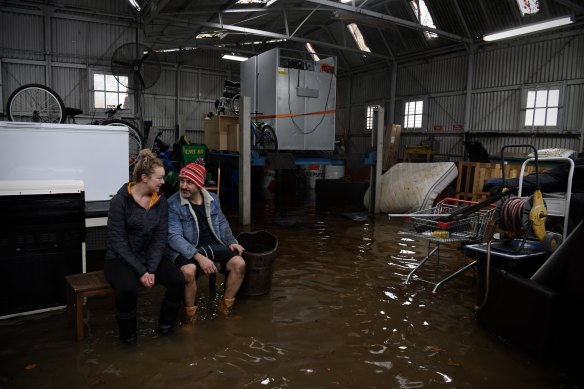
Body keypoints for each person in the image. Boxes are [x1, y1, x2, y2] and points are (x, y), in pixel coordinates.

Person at [104, 149, 184, 343]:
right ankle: (128, 338)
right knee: (128, 290)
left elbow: (159, 237)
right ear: (144, 177)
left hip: (148, 257)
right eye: (160, 178)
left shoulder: (160, 202)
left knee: (177, 280)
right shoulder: (119, 201)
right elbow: (118, 241)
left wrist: (150, 268)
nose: (163, 182)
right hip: (119, 259)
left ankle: (166, 329)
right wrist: (141, 271)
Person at [167, 162, 246, 322]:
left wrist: (231, 241)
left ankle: (225, 307)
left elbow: (222, 222)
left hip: (213, 245)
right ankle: (191, 317)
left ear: (199, 184)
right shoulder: (173, 203)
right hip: (188, 249)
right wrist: (199, 257)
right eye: (182, 181)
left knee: (240, 264)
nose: (183, 186)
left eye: (189, 182)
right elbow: (174, 238)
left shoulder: (213, 199)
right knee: (188, 272)